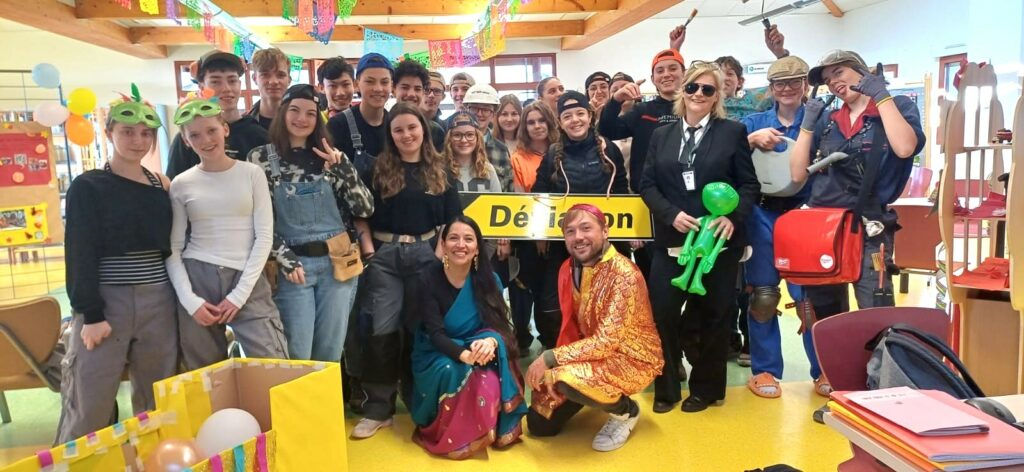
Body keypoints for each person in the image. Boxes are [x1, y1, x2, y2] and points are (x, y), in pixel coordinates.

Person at [56, 86, 177, 443]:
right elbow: (79, 250)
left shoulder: (161, 186)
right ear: (109, 133)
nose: (138, 141)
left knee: (156, 400)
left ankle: (151, 462)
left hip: (159, 299)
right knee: (89, 400)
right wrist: (90, 314)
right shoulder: (88, 186)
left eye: (146, 133)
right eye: (127, 132)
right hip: (108, 302)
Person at [640, 61, 760, 413]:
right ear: (683, 90)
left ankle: (706, 390)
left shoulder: (732, 132)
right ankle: (666, 389)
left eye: (708, 89)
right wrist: (670, 214)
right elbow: (647, 184)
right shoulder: (662, 135)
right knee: (662, 312)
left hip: (717, 244)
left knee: (715, 314)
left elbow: (749, 185)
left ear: (717, 96)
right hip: (672, 238)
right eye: (693, 87)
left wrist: (732, 218)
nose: (699, 94)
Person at [351, 103, 463, 439]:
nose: (406, 135)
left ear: (423, 130)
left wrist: (439, 258)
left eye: (412, 128)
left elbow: (452, 222)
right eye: (398, 129)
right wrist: (369, 253)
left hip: (426, 256)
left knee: (420, 330)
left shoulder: (441, 171)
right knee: (381, 331)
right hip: (384, 257)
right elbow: (360, 215)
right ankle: (379, 408)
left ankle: (420, 403)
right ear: (390, 134)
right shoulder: (376, 169)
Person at [790, 50, 925, 327]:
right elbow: (797, 174)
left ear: (862, 71)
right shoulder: (828, 121)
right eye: (828, 79)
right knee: (828, 317)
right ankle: (834, 358)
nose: (833, 82)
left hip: (870, 229)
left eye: (839, 72)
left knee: (876, 317)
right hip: (824, 228)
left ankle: (878, 359)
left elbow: (905, 147)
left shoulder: (896, 107)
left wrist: (880, 96)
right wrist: (807, 125)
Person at [248, 84, 374, 362]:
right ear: (282, 113)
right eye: (294, 110)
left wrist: (343, 169)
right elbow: (258, 221)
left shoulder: (332, 156)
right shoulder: (260, 159)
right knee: (297, 354)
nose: (302, 119)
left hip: (338, 265)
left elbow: (365, 208)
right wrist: (285, 258)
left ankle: (327, 394)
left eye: (310, 113)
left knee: (330, 354)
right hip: (294, 269)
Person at [525, 204, 663, 452]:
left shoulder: (624, 274)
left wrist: (551, 358)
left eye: (586, 228)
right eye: (570, 231)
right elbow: (571, 327)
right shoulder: (568, 268)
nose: (578, 237)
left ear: (605, 232)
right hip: (591, 355)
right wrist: (555, 366)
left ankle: (626, 411)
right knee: (540, 423)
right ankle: (592, 391)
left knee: (564, 379)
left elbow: (605, 342)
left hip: (633, 359)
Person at [165, 98, 289, 370]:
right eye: (195, 135)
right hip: (198, 277)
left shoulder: (252, 174)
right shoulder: (181, 184)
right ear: (186, 141)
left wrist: (239, 295)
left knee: (273, 365)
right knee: (206, 373)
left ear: (225, 129)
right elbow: (173, 248)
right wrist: (190, 301)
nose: (206, 140)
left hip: (247, 276)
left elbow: (264, 236)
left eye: (211, 130)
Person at [740, 56, 827, 399]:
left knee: (810, 298)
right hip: (761, 213)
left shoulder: (821, 121)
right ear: (771, 88)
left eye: (794, 81)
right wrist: (749, 140)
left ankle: (824, 369)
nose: (787, 88)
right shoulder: (753, 122)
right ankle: (764, 370)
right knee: (763, 295)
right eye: (780, 83)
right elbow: (724, 156)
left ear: (805, 84)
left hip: (805, 215)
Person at [410, 216, 527, 459]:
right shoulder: (427, 278)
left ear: (477, 248)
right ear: (443, 245)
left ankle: (483, 429)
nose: (460, 244)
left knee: (489, 383)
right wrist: (465, 355)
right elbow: (435, 334)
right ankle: (447, 434)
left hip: (479, 349)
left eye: (468, 239)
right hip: (436, 351)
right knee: (450, 370)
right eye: (453, 238)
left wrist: (490, 342)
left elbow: (499, 326)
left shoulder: (489, 280)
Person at [532, 91, 629, 349]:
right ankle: (562, 352)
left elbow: (622, 189)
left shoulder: (610, 149)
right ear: (560, 122)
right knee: (553, 303)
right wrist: (540, 233)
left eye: (580, 114)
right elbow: (539, 194)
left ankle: (606, 351)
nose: (575, 120)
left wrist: (631, 232)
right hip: (564, 243)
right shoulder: (552, 154)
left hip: (605, 242)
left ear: (590, 116)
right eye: (567, 116)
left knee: (609, 301)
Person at [165, 51, 268, 179]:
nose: (226, 88)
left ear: (240, 85)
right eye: (215, 82)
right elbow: (174, 185)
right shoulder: (190, 139)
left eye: (232, 81)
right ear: (202, 87)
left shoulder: (258, 135)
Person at [508, 102, 560, 354]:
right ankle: (539, 337)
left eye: (541, 120)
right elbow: (521, 200)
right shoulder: (517, 158)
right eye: (531, 122)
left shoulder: (563, 151)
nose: (537, 126)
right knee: (536, 287)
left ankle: (557, 339)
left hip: (563, 233)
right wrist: (540, 232)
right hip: (531, 233)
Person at [717, 25, 792, 121]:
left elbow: (786, 84)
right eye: (719, 74)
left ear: (740, 81)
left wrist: (780, 53)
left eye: (729, 74)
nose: (723, 78)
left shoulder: (755, 100)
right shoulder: (705, 104)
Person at [462, 84, 513, 192]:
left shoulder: (501, 150)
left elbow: (508, 190)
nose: (479, 114)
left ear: (493, 114)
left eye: (486, 109)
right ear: (466, 110)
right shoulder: (453, 146)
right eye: (474, 108)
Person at [393, 59, 446, 152]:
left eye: (417, 89)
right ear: (393, 89)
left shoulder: (435, 131)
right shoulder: (383, 125)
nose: (411, 94)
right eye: (405, 87)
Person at [444, 111, 502, 193]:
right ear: (449, 138)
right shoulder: (439, 170)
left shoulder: (488, 170)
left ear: (477, 138)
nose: (464, 140)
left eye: (470, 135)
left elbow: (498, 200)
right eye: (457, 135)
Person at [246, 48, 293, 130]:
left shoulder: (302, 123)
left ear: (289, 80)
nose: (273, 81)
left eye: (280, 75)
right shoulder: (243, 127)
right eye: (265, 75)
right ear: (254, 79)